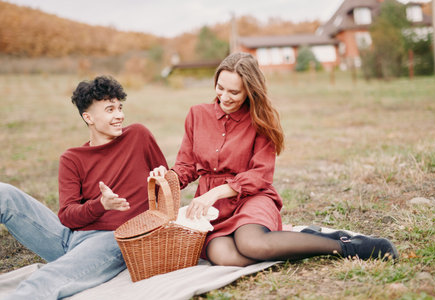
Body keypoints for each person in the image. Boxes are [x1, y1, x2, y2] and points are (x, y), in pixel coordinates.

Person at [150, 52, 398, 267]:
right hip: (216, 211)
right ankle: (299, 239)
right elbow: (186, 166)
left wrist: (214, 193)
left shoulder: (260, 121)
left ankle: (345, 246)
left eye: (234, 92)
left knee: (252, 244)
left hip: (252, 198)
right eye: (220, 88)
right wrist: (166, 179)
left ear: (250, 90)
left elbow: (261, 175)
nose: (224, 97)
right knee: (223, 256)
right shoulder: (196, 115)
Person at [0, 76, 167, 299]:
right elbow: (68, 217)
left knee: (44, 280)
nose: (119, 115)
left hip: (113, 239)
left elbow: (170, 182)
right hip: (69, 239)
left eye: (120, 107)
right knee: (4, 193)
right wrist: (101, 205)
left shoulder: (138, 135)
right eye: (110, 110)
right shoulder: (72, 158)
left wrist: (163, 177)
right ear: (88, 117)